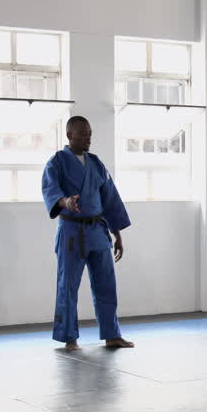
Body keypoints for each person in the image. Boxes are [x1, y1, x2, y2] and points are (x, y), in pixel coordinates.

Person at [41, 116, 134, 351]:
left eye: (90, 133)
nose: (87, 138)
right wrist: (65, 202)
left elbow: (110, 198)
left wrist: (117, 232)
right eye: (82, 134)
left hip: (98, 230)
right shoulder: (57, 162)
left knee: (106, 284)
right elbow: (51, 190)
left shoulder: (96, 163)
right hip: (71, 230)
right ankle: (69, 338)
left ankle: (112, 334)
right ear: (69, 135)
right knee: (68, 285)